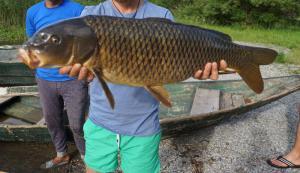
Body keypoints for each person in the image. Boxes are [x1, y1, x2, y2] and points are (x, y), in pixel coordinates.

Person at [58, 1, 228, 172]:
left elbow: (173, 67)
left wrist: (196, 70)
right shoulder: (90, 15)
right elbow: (83, 68)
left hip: (143, 126)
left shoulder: (162, 15)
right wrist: (83, 73)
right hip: (100, 123)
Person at [24, 0, 87, 169]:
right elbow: (32, 43)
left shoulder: (78, 10)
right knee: (52, 120)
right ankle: (61, 154)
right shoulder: (33, 12)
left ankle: (87, 156)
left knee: (77, 123)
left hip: (73, 79)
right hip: (45, 79)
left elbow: (88, 43)